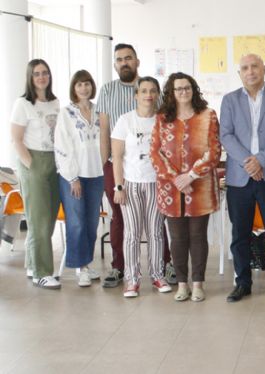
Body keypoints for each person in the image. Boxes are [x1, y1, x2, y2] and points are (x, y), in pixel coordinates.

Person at [97, 43, 174, 288]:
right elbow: (104, 131)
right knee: (121, 221)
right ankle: (122, 269)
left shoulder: (153, 95)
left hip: (154, 178)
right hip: (120, 169)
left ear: (137, 61)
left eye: (128, 58)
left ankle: (160, 270)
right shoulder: (108, 91)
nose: (124, 63)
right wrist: (104, 167)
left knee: (156, 228)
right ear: (115, 64)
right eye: (119, 59)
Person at [220, 54, 265, 303]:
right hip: (240, 177)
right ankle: (242, 282)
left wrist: (260, 160)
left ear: (264, 69)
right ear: (239, 73)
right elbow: (226, 136)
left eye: (255, 67)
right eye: (245, 68)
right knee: (240, 233)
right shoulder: (229, 100)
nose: (250, 71)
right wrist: (249, 163)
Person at [150, 72, 221, 302]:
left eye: (187, 87)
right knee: (177, 238)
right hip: (171, 190)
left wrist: (190, 176)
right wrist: (177, 180)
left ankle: (198, 283)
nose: (183, 92)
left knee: (198, 236)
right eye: (178, 88)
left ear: (194, 90)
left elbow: (214, 152)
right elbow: (155, 153)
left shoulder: (208, 115)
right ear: (171, 92)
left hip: (200, 188)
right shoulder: (162, 118)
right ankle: (182, 283)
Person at [112, 76, 172, 298]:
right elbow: (117, 157)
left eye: (153, 90)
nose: (148, 95)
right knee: (132, 234)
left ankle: (158, 275)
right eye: (144, 90)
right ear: (136, 95)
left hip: (156, 184)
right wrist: (119, 187)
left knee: (156, 232)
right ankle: (132, 279)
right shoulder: (125, 121)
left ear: (157, 94)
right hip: (131, 185)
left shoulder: (163, 121)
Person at [9, 59, 60, 289]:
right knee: (38, 219)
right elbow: (16, 140)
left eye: (45, 73)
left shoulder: (55, 102)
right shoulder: (23, 104)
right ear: (30, 77)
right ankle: (42, 272)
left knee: (48, 218)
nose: (41, 77)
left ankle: (32, 264)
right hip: (33, 161)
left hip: (55, 160)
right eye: (37, 73)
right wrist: (31, 166)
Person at [54, 70, 103, 287]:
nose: (84, 88)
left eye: (87, 84)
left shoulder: (100, 111)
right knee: (77, 223)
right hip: (73, 176)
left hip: (97, 174)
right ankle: (80, 267)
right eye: (79, 85)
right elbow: (62, 146)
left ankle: (87, 262)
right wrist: (72, 177)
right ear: (73, 88)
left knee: (92, 223)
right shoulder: (66, 113)